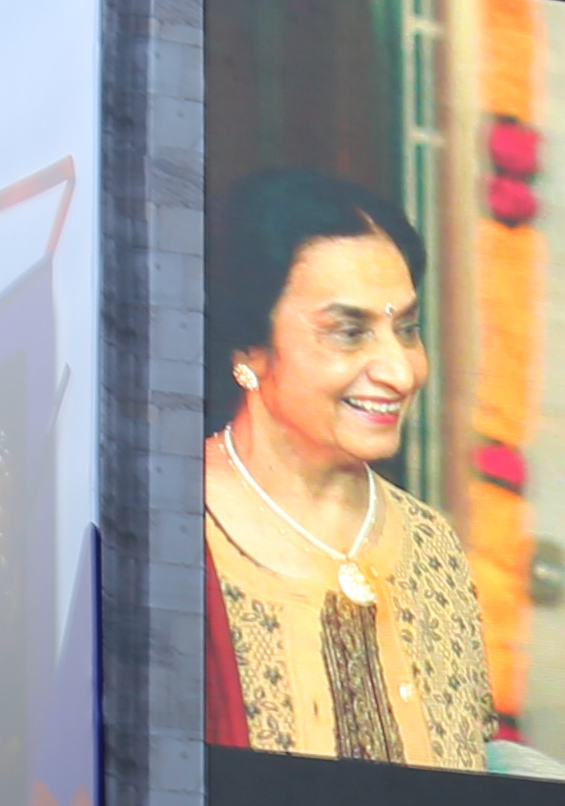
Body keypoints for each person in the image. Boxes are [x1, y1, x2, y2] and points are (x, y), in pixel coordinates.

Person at [199, 168, 494, 767]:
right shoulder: (170, 533)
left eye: (407, 329)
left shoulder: (431, 545)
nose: (401, 371)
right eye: (350, 332)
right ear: (248, 349)